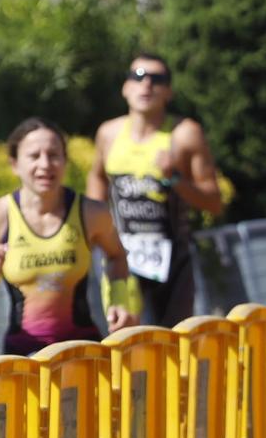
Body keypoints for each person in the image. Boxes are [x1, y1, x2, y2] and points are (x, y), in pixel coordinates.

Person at [0, 118, 136, 354]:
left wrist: (119, 300)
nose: (45, 164)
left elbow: (117, 256)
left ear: (65, 161)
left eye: (53, 154)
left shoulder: (91, 212)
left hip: (82, 351)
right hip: (23, 357)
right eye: (34, 156)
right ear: (14, 164)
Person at [85, 53, 225, 326]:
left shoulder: (184, 134)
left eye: (157, 79)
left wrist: (175, 178)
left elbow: (214, 202)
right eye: (138, 77)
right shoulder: (109, 134)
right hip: (121, 256)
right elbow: (98, 178)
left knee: (172, 343)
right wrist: (95, 224)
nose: (146, 85)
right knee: (123, 334)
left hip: (171, 260)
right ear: (126, 88)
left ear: (169, 92)